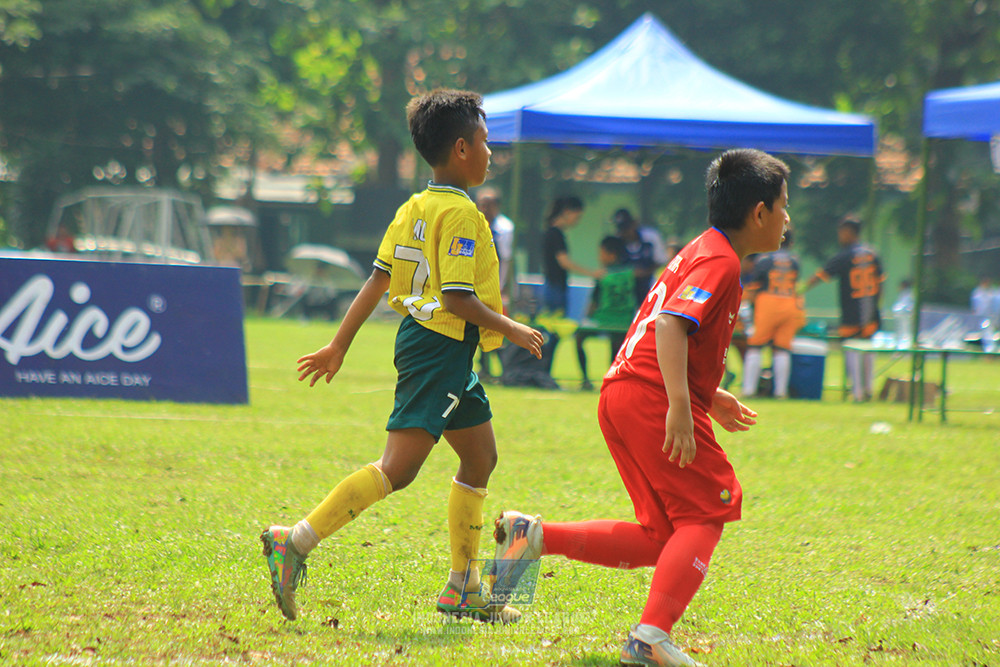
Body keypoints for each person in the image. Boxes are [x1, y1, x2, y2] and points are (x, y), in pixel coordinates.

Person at [493, 148, 789, 667]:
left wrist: (704, 392)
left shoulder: (704, 248)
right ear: (759, 212)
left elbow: (666, 326)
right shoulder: (719, 261)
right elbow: (673, 322)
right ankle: (650, 637)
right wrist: (679, 403)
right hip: (650, 397)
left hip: (624, 392)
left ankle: (531, 536)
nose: (788, 218)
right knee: (709, 506)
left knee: (663, 536)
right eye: (784, 206)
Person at [259, 89, 544, 625]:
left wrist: (338, 344)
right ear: (461, 148)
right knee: (399, 469)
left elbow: (377, 279)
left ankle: (464, 588)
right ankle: (293, 542)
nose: (490, 154)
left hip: (434, 345)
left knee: (480, 456)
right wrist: (513, 328)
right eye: (485, 143)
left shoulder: (415, 206)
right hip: (439, 347)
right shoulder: (461, 213)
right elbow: (458, 298)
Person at [802, 216, 884, 402]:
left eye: (841, 232)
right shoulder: (873, 253)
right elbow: (881, 282)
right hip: (871, 308)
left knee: (851, 348)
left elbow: (822, 275)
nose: (840, 236)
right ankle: (868, 388)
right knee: (868, 347)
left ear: (848, 232)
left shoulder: (845, 255)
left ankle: (857, 392)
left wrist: (800, 288)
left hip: (852, 309)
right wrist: (877, 304)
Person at [741, 231, 806, 399]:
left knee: (755, 346)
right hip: (790, 303)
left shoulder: (764, 260)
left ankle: (749, 390)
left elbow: (754, 285)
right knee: (782, 349)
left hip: (768, 303)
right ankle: (780, 392)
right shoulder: (795, 261)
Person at [575, 235, 637, 391]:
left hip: (603, 319)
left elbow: (594, 302)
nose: (599, 257)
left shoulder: (603, 275)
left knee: (579, 338)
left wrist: (586, 319)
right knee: (616, 346)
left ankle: (585, 380)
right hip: (625, 320)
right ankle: (613, 381)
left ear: (611, 254)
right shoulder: (631, 273)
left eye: (601, 253)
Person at [475, 187, 515, 379]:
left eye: (488, 204)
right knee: (479, 327)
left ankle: (506, 369)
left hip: (498, 287)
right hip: (476, 287)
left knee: (497, 328)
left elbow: (507, 260)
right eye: (481, 204)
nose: (483, 208)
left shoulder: (505, 229)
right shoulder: (474, 224)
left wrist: (504, 287)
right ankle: (484, 368)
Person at [541, 196, 603, 314]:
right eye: (577, 216)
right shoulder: (556, 234)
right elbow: (564, 262)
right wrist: (591, 273)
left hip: (554, 286)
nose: (577, 220)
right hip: (555, 288)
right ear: (567, 212)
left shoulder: (552, 232)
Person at [614, 208, 670, 307]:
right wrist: (630, 273)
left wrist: (645, 272)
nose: (625, 232)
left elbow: (662, 261)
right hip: (626, 291)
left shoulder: (651, 237)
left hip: (651, 285)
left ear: (634, 224)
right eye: (622, 229)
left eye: (627, 228)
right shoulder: (617, 242)